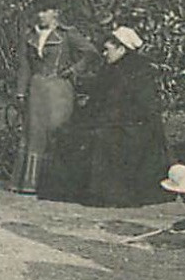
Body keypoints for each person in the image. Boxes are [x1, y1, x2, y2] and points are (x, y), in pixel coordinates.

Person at [42, 25, 171, 208]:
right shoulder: (110, 68)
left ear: (121, 48)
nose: (104, 53)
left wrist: (108, 118)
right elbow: (98, 97)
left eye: (107, 49)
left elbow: (144, 107)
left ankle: (107, 194)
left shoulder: (139, 71)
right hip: (111, 120)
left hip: (134, 127)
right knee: (68, 131)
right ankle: (72, 190)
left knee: (102, 138)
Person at [11, 0, 95, 195]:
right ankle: (29, 183)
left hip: (59, 91)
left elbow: (90, 53)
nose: (41, 15)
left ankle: (56, 184)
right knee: (34, 133)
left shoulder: (68, 34)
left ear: (56, 12)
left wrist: (73, 70)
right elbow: (24, 66)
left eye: (46, 10)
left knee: (57, 132)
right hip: (36, 90)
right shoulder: (29, 35)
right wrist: (20, 93)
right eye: (38, 11)